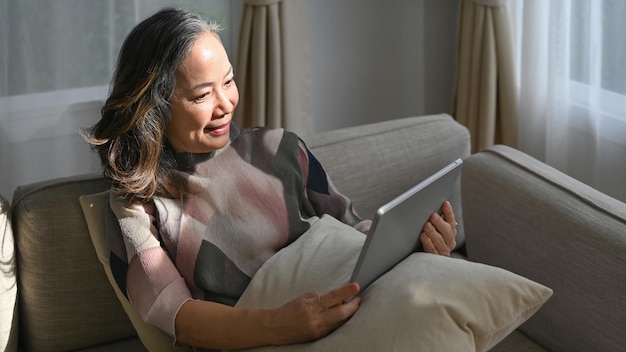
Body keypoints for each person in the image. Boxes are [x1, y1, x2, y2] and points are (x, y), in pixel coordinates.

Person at [84, 7, 458, 351]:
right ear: (155, 106)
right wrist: (282, 326)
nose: (226, 103)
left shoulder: (279, 147)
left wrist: (418, 248)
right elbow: (175, 314)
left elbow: (357, 235)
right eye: (202, 95)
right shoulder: (139, 202)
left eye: (228, 82)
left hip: (342, 312)